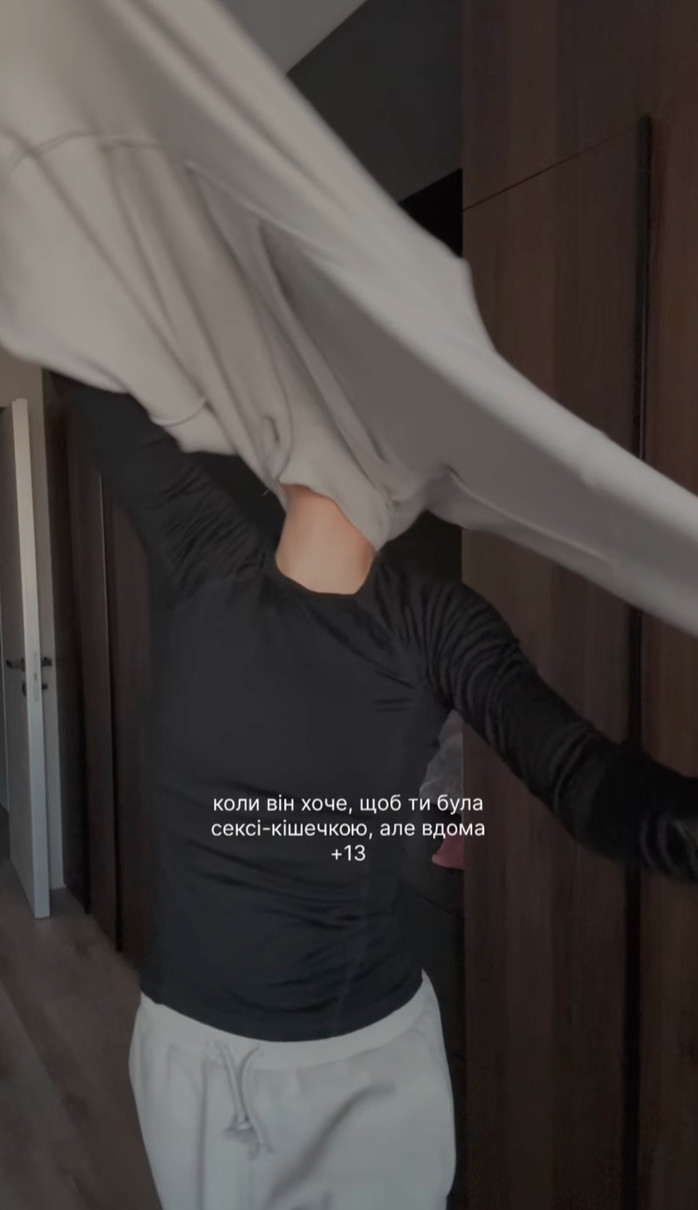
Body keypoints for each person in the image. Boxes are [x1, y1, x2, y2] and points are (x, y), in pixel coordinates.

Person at [53, 372, 698, 1210]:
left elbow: (582, 776)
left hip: (363, 1073)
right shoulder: (203, 551)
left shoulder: (433, 622)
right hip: (192, 1062)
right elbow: (87, 360)